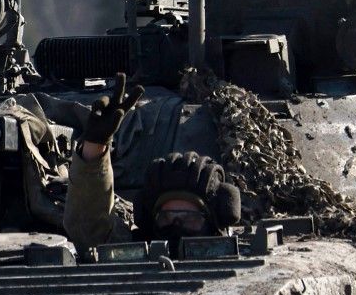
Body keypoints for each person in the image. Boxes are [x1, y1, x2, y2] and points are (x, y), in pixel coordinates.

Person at [63, 74, 240, 251]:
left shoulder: (240, 256)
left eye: (190, 219)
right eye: (165, 218)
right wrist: (95, 144)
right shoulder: (135, 252)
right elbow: (91, 227)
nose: (176, 228)